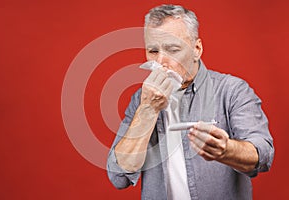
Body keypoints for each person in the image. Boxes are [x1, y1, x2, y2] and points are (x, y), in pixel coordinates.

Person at [107, 4, 274, 200]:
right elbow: (118, 176)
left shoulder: (231, 91)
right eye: (153, 51)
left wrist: (226, 150)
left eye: (172, 49)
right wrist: (147, 110)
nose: (161, 62)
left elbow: (262, 156)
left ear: (197, 49)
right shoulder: (142, 99)